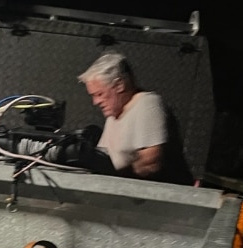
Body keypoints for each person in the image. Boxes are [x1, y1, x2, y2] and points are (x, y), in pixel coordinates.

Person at [77, 51, 195, 185]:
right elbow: (104, 157)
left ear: (119, 85)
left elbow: (151, 163)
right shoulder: (114, 114)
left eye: (99, 94)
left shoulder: (148, 104)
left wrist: (113, 179)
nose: (95, 102)